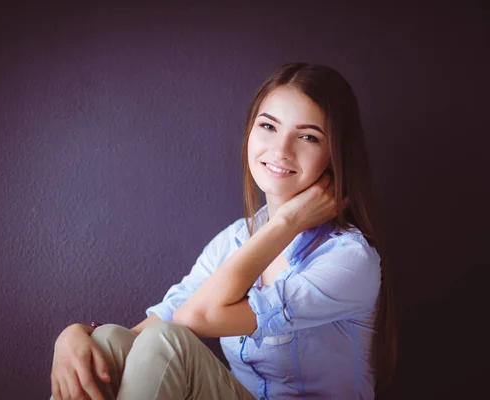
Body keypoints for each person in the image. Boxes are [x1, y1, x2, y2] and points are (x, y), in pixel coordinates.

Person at [50, 62, 397, 400]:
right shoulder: (233, 240)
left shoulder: (349, 259)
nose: (280, 149)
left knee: (169, 343)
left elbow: (192, 318)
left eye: (307, 136)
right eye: (268, 127)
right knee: (106, 344)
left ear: (335, 156)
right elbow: (144, 335)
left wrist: (287, 223)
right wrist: (73, 336)